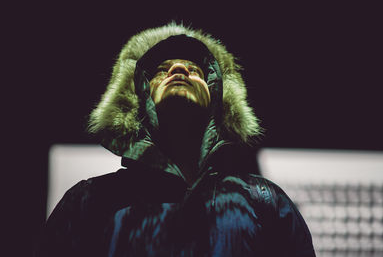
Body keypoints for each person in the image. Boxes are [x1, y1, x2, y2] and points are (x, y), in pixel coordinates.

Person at [34, 23, 316, 256]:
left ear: (218, 98)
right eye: (161, 69)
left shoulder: (263, 201)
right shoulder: (89, 202)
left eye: (196, 70)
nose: (179, 71)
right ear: (137, 96)